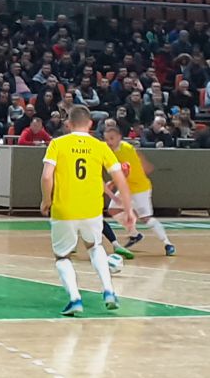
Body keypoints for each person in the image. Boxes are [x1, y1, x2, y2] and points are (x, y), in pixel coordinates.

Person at [41, 105, 135, 316]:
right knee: (94, 246)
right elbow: (120, 179)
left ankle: (75, 299)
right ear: (91, 123)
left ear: (68, 124)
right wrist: (128, 209)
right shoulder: (100, 146)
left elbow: (47, 177)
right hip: (92, 209)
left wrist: (46, 200)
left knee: (62, 256)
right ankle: (109, 291)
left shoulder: (57, 143)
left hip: (64, 208)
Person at [103, 126, 175, 256]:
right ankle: (135, 234)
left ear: (119, 137)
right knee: (113, 210)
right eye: (106, 139)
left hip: (139, 188)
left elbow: (125, 172)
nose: (109, 142)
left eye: (111, 138)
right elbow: (143, 164)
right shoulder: (116, 149)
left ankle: (167, 243)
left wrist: (112, 184)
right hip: (127, 187)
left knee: (146, 218)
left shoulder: (125, 150)